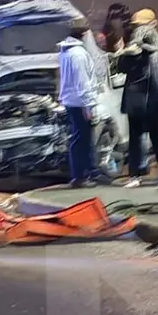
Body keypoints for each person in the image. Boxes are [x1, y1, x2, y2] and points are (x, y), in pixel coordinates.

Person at [116, 9, 158, 188]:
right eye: (137, 26)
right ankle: (135, 174)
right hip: (136, 99)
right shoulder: (133, 46)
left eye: (141, 25)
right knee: (136, 139)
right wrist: (129, 52)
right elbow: (122, 68)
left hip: (155, 98)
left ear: (153, 24)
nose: (139, 29)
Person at [58, 17, 101, 187]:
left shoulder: (65, 52)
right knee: (81, 139)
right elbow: (83, 82)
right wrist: (88, 105)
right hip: (79, 102)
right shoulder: (79, 54)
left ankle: (89, 172)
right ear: (83, 35)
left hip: (71, 101)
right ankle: (80, 176)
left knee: (81, 138)